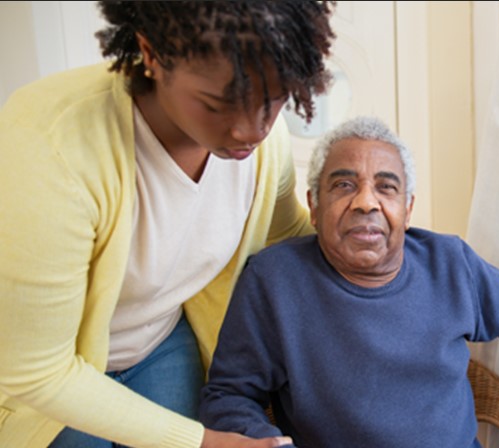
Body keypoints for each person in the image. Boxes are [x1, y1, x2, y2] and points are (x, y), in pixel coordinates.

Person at [0, 2, 337, 447]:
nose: (251, 131)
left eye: (272, 102)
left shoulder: (265, 149)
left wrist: (396, 261)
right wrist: (202, 441)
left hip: (162, 340)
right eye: (219, 105)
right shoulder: (50, 147)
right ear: (152, 54)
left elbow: (286, 236)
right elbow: (37, 370)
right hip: (45, 377)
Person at [199, 116, 499, 447]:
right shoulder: (275, 280)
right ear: (313, 205)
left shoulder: (450, 264)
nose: (365, 202)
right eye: (344, 184)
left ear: (408, 209)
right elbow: (227, 396)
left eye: (385, 188)